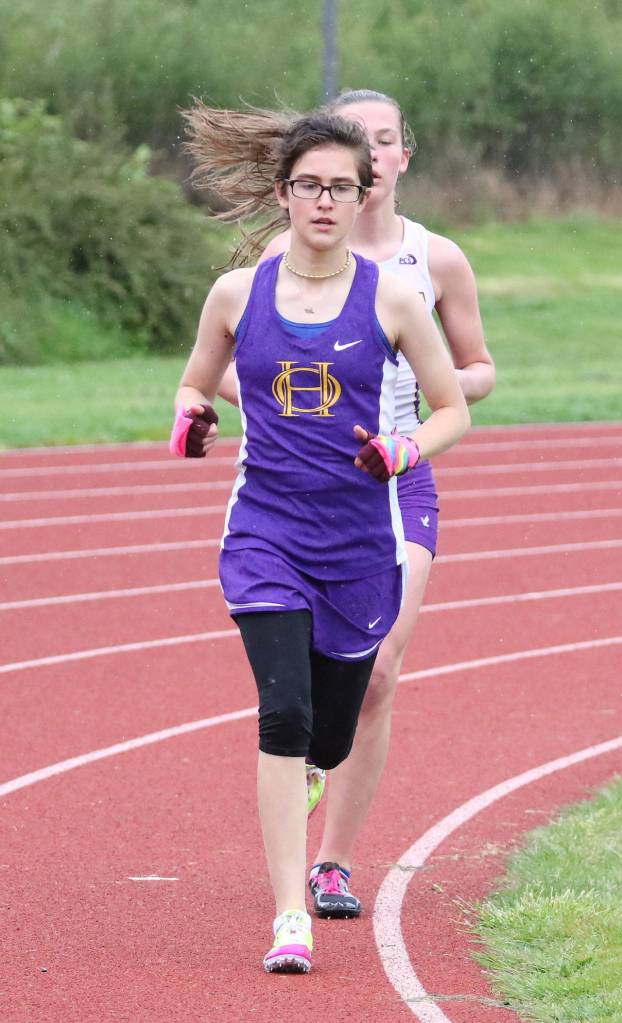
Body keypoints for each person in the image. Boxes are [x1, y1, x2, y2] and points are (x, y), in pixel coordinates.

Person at [172, 109, 470, 973]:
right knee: (284, 713)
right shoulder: (238, 294)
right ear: (284, 193)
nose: (326, 201)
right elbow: (194, 384)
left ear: (363, 193)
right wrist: (192, 418)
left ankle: (317, 765)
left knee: (334, 728)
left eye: (342, 186)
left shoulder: (394, 297)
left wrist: (404, 449)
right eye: (310, 185)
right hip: (264, 530)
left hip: (360, 540)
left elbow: (451, 407)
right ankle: (289, 913)